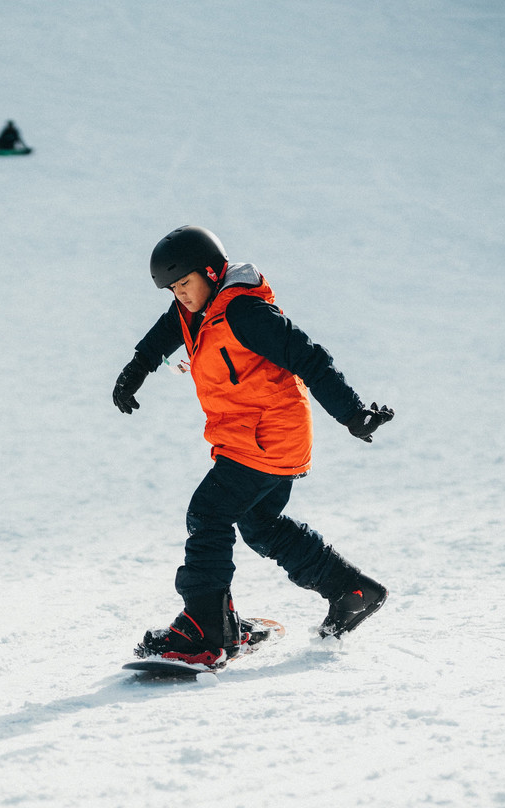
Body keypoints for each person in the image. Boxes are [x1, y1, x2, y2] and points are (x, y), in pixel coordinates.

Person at [112, 225, 394, 667]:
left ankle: (206, 629)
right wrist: (135, 370)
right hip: (249, 437)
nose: (180, 296)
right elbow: (161, 336)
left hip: (268, 437)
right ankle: (351, 591)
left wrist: (352, 413)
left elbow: (309, 357)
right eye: (172, 289)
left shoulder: (245, 312)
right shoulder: (193, 312)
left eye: (185, 284)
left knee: (208, 514)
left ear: (210, 271)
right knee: (261, 524)